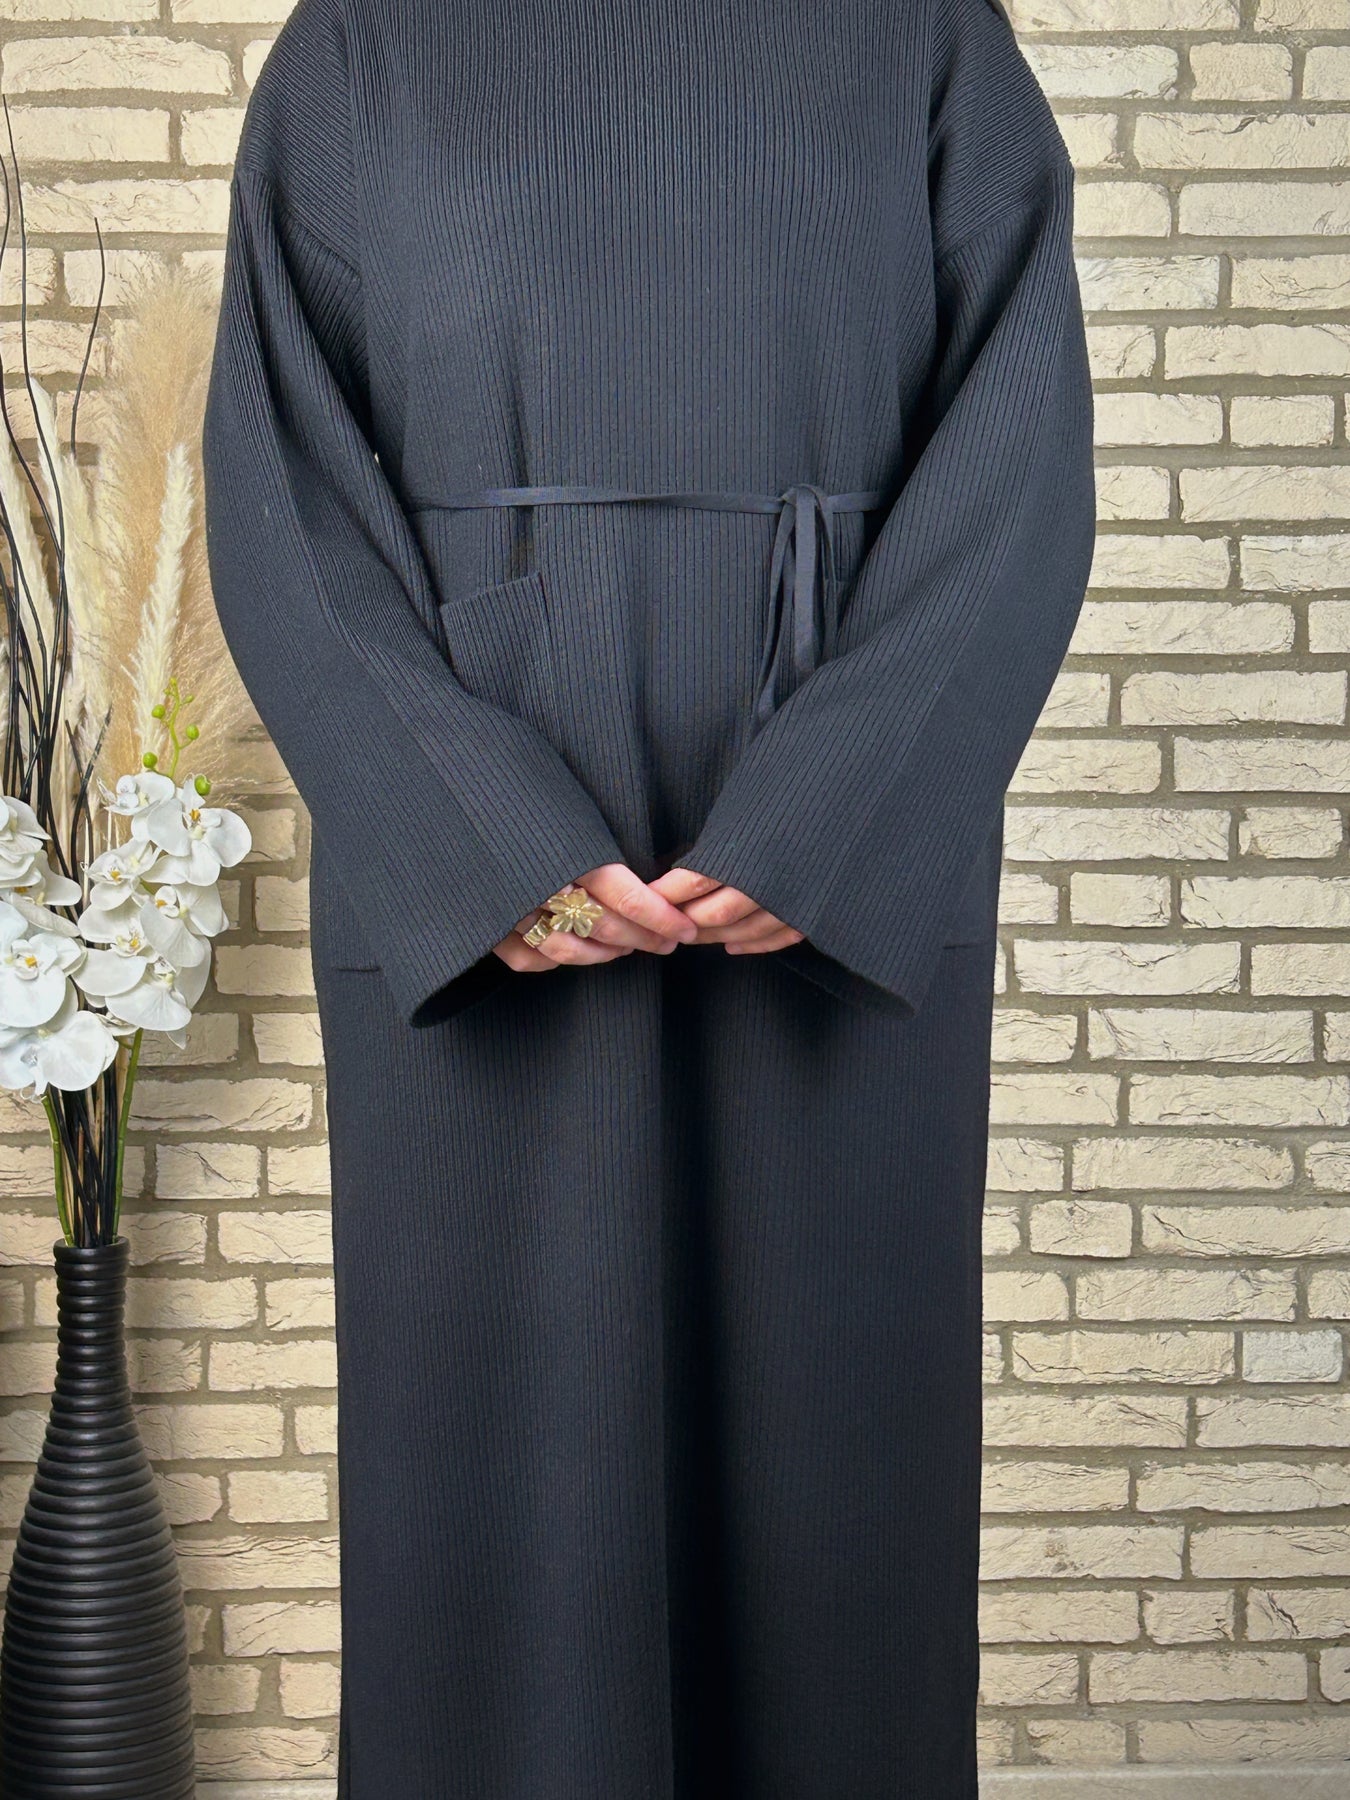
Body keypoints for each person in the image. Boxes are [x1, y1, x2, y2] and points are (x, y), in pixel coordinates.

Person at [200, 0, 1097, 1792]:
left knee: (834, 1469)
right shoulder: (363, 45)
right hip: (488, 872)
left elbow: (1016, 463)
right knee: (492, 1474)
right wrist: (477, 832)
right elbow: (280, 481)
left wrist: (830, 812)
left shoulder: (922, 33)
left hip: (825, 848)